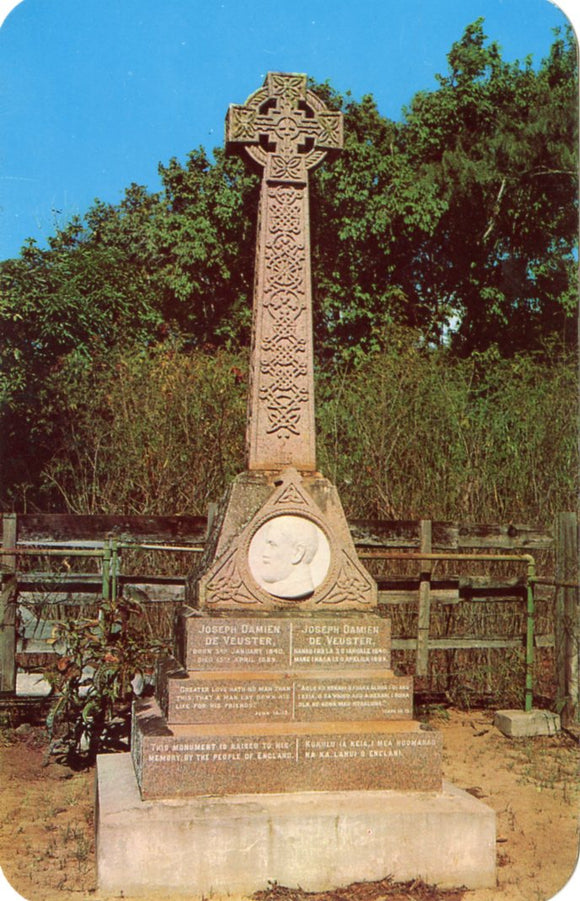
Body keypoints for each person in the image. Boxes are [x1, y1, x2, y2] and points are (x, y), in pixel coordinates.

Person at [256, 515, 320, 599]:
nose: (264, 553)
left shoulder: (298, 590)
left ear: (297, 553)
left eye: (272, 545)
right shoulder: (280, 590)